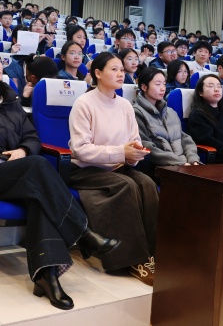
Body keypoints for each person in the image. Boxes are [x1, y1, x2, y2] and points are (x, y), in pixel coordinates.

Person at [0, 45, 119, 310]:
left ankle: (47, 277)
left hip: (18, 173)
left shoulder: (11, 102)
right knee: (38, 167)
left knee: (39, 196)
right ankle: (83, 232)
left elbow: (32, 137)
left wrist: (23, 150)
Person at [66, 52, 158, 285]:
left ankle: (153, 253)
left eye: (121, 70)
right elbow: (80, 150)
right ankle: (132, 259)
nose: (120, 74)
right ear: (98, 73)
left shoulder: (125, 105)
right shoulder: (84, 103)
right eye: (114, 69)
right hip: (86, 170)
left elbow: (134, 140)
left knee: (147, 183)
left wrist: (135, 154)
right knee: (126, 185)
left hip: (118, 166)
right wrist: (121, 152)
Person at [132, 66, 200, 181]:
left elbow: (184, 138)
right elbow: (146, 146)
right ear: (144, 87)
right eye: (158, 84)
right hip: (160, 168)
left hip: (184, 165)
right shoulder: (136, 112)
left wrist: (193, 160)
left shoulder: (170, 112)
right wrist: (180, 163)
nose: (163, 88)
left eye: (164, 84)